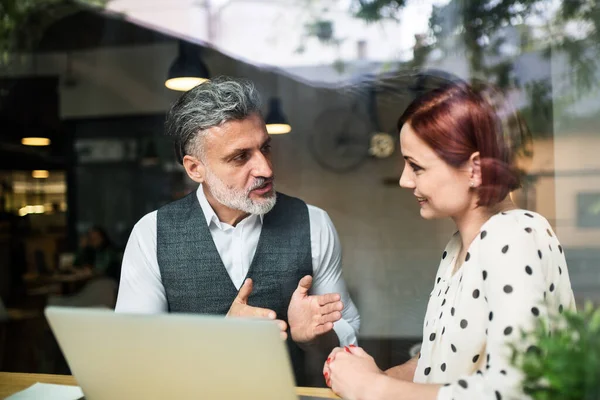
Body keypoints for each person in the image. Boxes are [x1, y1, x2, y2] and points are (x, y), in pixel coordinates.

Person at [323, 82, 575, 399]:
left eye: (416, 166)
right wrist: (370, 376)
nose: (404, 180)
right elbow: (442, 362)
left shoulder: (515, 234)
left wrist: (375, 388)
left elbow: (514, 389)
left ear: (474, 169)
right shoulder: (460, 245)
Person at [115, 76, 360, 384]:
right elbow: (134, 357)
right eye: (241, 157)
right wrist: (221, 341)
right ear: (195, 169)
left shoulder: (314, 224)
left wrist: (313, 339)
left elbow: (348, 341)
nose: (266, 169)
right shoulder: (151, 235)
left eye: (265, 148)